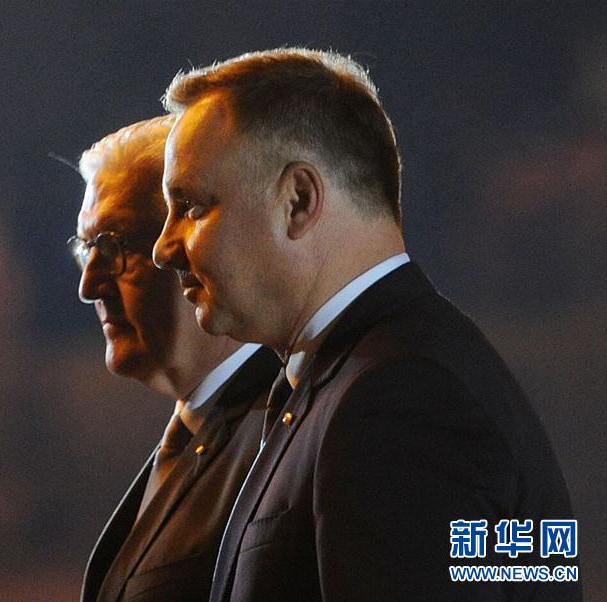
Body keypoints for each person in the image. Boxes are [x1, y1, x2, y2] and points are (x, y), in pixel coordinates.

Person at [153, 48, 580, 601]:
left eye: (191, 206)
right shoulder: (365, 376)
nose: (163, 248)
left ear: (298, 201)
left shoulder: (400, 398)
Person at [72, 115, 280, 602]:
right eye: (86, 249)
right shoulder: (206, 428)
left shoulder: (284, 435)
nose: (89, 286)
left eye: (113, 246)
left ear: (197, 244)